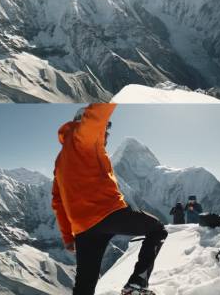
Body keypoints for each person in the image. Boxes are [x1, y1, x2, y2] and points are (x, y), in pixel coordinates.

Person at [52, 103, 167, 295]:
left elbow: (58, 201)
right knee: (157, 230)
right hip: (109, 214)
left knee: (84, 284)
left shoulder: (60, 159)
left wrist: (68, 237)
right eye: (105, 128)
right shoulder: (84, 139)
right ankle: (137, 284)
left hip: (83, 229)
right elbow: (98, 114)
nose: (107, 133)